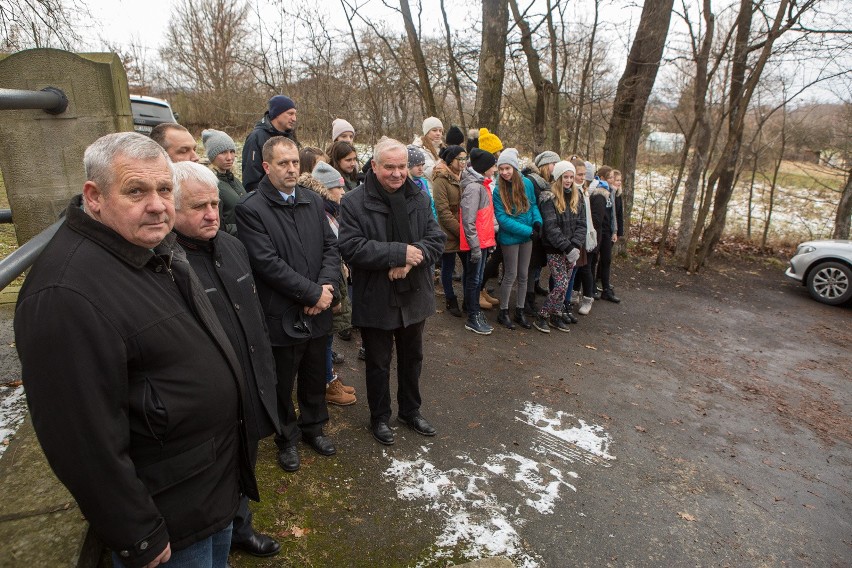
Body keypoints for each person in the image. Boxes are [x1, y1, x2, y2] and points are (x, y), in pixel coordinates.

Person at [15, 132, 255, 568]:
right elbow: (81, 439)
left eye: (165, 189)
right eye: (136, 190)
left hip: (209, 488)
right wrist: (136, 532)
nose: (159, 204)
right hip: (169, 516)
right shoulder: (66, 294)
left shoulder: (146, 246)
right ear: (95, 196)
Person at [171, 161, 281, 558]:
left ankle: (239, 526)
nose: (212, 214)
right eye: (199, 206)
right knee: (215, 471)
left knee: (244, 458)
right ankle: (222, 531)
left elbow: (253, 312)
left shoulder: (232, 246)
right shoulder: (167, 265)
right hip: (209, 398)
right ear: (172, 208)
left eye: (215, 203)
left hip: (248, 380)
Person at [235, 136, 340, 473]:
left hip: (318, 308)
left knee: (314, 374)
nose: (292, 169)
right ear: (266, 167)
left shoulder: (311, 199)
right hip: (282, 313)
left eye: (295, 162)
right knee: (283, 381)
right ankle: (286, 438)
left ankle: (313, 427)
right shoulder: (251, 209)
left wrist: (325, 289)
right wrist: (311, 294)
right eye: (283, 163)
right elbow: (267, 264)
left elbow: (330, 248)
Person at [339, 138, 446, 446]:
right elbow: (351, 247)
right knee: (378, 362)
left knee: (413, 358)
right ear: (374, 166)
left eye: (402, 167)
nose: (398, 174)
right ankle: (380, 417)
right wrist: (398, 253)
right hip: (377, 296)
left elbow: (435, 239)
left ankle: (411, 411)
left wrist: (412, 260)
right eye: (390, 167)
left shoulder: (419, 196)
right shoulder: (354, 201)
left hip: (414, 293)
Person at [300, 161, 358, 406]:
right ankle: (326, 382)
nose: (343, 193)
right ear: (326, 189)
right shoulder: (320, 213)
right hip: (324, 285)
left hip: (334, 279)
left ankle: (328, 377)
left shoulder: (330, 210)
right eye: (338, 188)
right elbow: (327, 251)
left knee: (327, 336)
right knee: (323, 337)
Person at [492, 148, 541, 330]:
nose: (504, 172)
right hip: (511, 238)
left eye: (508, 168)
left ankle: (519, 310)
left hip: (528, 235)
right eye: (501, 169)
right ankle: (503, 311)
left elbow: (533, 205)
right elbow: (503, 219)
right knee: (510, 274)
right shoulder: (498, 190)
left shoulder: (527, 183)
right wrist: (528, 231)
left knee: (523, 274)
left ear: (514, 167)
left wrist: (537, 222)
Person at [535, 161, 585, 333]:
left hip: (572, 249)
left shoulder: (578, 197)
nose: (569, 180)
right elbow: (551, 227)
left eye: (571, 177)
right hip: (555, 249)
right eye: (566, 177)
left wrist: (576, 245)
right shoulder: (549, 198)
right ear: (558, 177)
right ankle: (543, 314)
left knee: (566, 282)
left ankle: (556, 314)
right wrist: (567, 247)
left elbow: (582, 224)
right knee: (561, 284)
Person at [459, 147, 499, 335]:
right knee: (474, 280)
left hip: (482, 241)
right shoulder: (474, 188)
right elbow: (468, 220)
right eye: (493, 166)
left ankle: (473, 310)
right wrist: (475, 246)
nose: (495, 169)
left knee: (476, 278)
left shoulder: (482, 185)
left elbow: (486, 216)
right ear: (484, 167)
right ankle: (472, 315)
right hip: (476, 243)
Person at [431, 145, 467, 317]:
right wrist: (461, 232)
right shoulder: (440, 179)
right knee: (448, 265)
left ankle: (469, 298)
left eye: (464, 158)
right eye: (459, 159)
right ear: (450, 160)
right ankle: (450, 298)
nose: (463, 162)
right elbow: (443, 212)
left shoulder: (464, 176)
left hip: (465, 228)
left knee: (468, 266)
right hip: (448, 230)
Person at [523, 150, 560, 316]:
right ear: (545, 164)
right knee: (530, 266)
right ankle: (526, 301)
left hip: (542, 229)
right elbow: (531, 205)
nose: (555, 168)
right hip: (534, 229)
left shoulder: (546, 183)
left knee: (536, 265)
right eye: (554, 164)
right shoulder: (532, 181)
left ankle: (531, 294)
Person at [242, 95, 299, 191]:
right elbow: (251, 179)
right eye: (290, 114)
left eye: (295, 114)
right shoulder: (256, 138)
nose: (294, 119)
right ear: (277, 114)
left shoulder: (290, 136)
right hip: (265, 200)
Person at [202, 129, 245, 236]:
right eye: (223, 152)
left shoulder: (235, 180)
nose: (229, 158)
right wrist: (246, 228)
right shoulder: (211, 184)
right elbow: (218, 225)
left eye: (232, 151)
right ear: (212, 156)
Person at [589, 166, 621, 303]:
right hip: (598, 231)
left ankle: (606, 288)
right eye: (610, 178)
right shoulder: (597, 192)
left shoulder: (612, 192)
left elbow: (615, 214)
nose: (613, 181)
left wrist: (615, 231)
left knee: (606, 259)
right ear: (602, 178)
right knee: (593, 260)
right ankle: (590, 288)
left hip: (608, 231)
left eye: (614, 178)